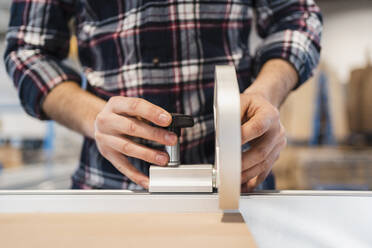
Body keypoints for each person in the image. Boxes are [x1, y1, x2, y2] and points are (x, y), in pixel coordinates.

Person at [4, 0, 322, 191]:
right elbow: (27, 50)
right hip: (110, 186)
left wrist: (267, 92)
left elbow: (297, 18)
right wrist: (94, 117)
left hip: (238, 186)